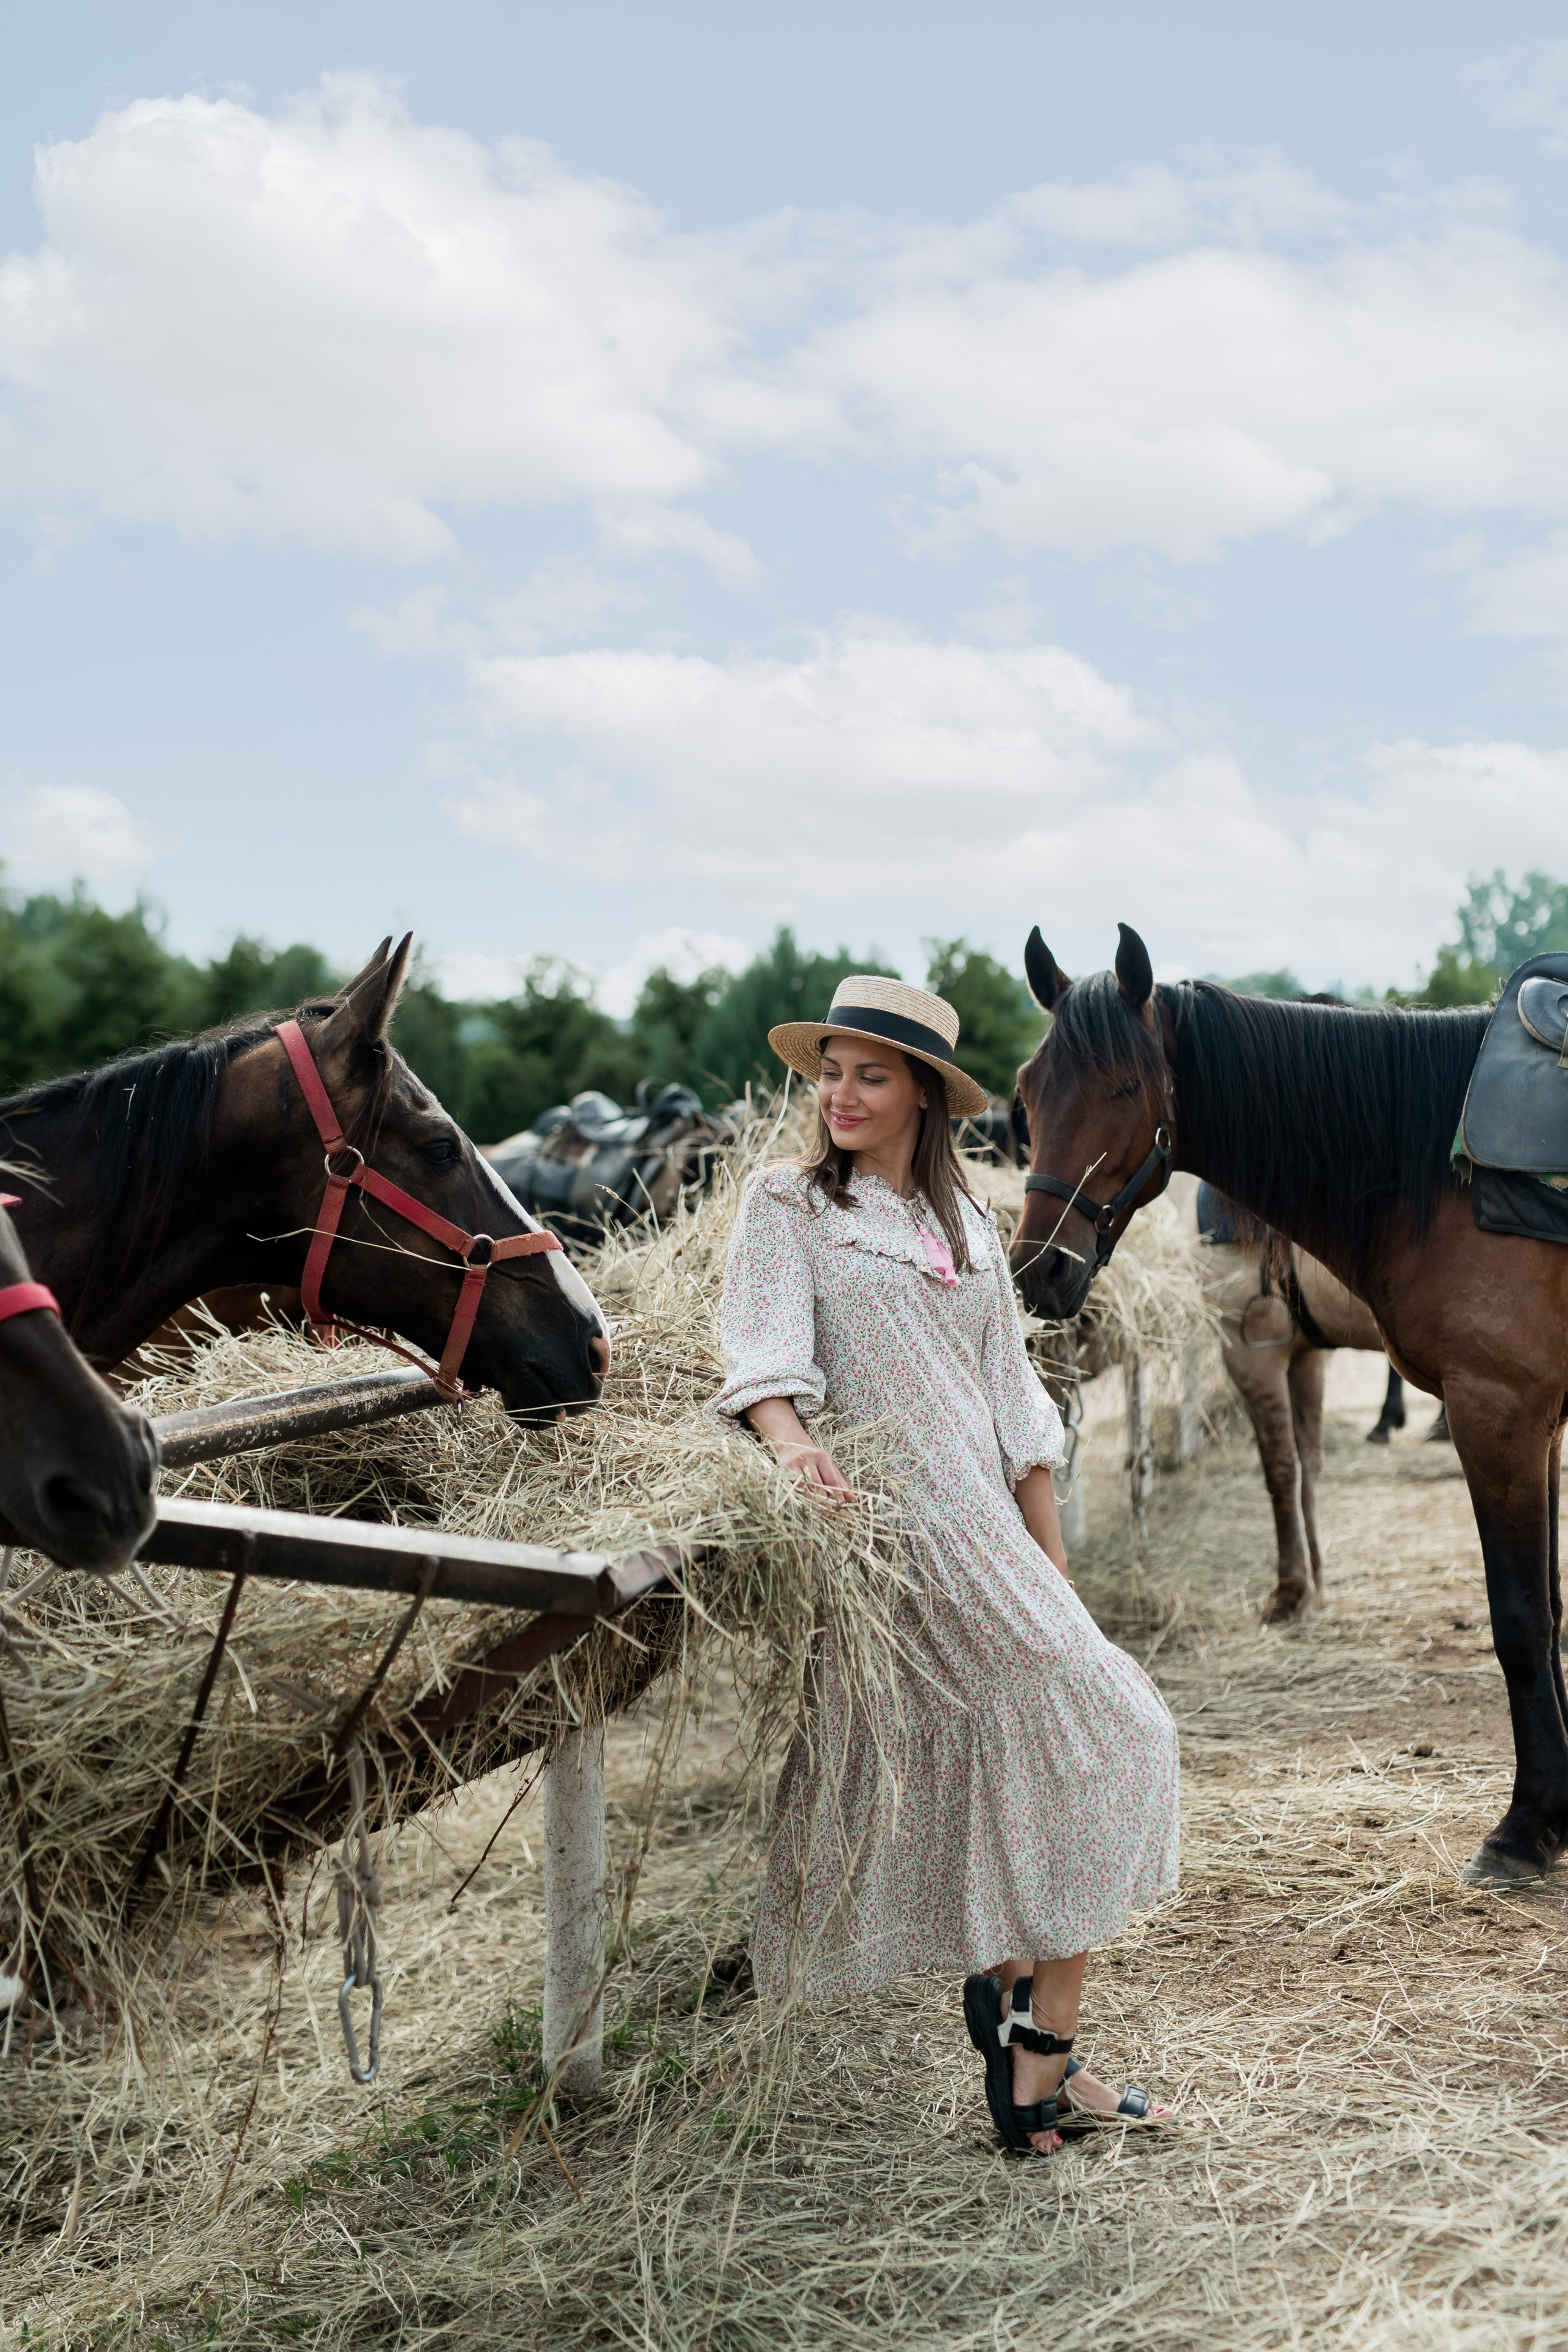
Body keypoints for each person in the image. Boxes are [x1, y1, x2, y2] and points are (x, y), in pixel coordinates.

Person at [710, 974, 1180, 2152]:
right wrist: (798, 1449)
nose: (842, 1094)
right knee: (1122, 1731)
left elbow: (1015, 1406)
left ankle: (1021, 1995)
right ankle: (1038, 2063)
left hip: (989, 1526)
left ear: (926, 1092)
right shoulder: (789, 1207)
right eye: (831, 1070)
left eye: (871, 1074)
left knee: (1078, 1730)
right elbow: (762, 1357)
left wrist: (1055, 1570)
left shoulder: (971, 1226)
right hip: (894, 1533)